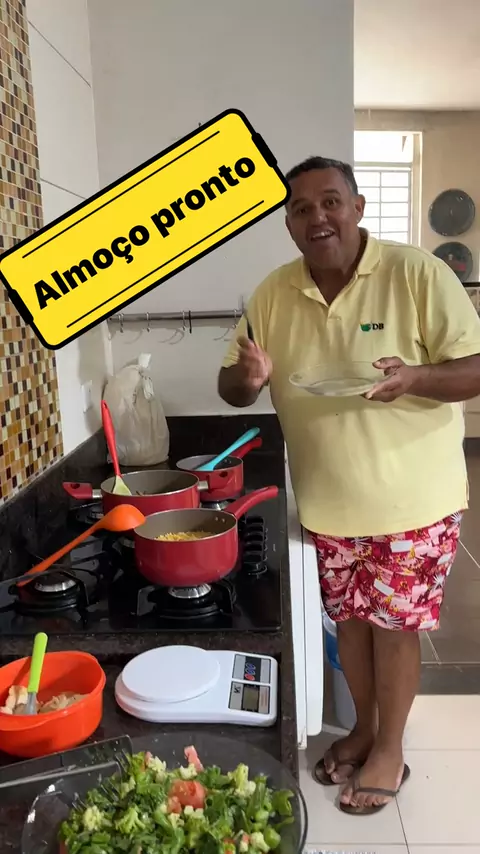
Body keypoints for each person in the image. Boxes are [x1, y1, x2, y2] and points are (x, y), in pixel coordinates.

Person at [217, 156, 480, 815]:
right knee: (353, 624)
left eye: (330, 201)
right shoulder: (273, 294)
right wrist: (246, 380)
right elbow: (233, 386)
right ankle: (364, 727)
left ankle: (389, 747)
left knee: (394, 627)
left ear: (358, 207)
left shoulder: (415, 273)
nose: (318, 217)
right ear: (288, 223)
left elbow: (474, 368)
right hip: (328, 501)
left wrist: (415, 378)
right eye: (301, 208)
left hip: (411, 499)